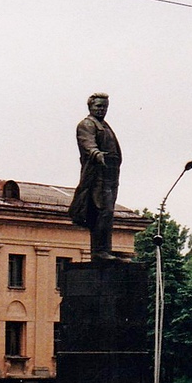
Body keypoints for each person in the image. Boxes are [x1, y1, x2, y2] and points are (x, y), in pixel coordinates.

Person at [69, 92, 123, 261]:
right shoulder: (87, 124)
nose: (102, 109)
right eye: (98, 106)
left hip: (111, 175)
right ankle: (99, 251)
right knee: (102, 211)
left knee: (108, 212)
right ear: (90, 107)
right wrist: (96, 153)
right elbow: (87, 143)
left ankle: (104, 249)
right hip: (97, 175)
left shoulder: (105, 125)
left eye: (104, 106)